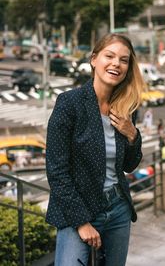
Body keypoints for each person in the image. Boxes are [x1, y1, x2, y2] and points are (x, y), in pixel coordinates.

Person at [46, 33, 144, 266]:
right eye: (109, 56)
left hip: (118, 209)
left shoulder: (126, 106)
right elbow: (57, 171)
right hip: (78, 210)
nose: (116, 64)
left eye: (123, 60)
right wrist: (81, 222)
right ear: (93, 60)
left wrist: (132, 135)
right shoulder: (70, 103)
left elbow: (129, 165)